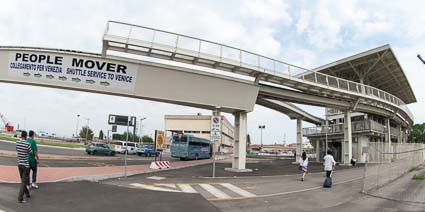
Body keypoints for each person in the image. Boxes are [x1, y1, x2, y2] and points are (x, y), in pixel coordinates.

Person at [16, 131, 33, 203]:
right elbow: (31, 153)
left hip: (19, 164)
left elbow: (18, 151)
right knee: (24, 181)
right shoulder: (27, 144)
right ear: (26, 136)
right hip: (26, 165)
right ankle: (20, 198)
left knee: (23, 181)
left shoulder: (17, 143)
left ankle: (27, 193)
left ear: (21, 135)